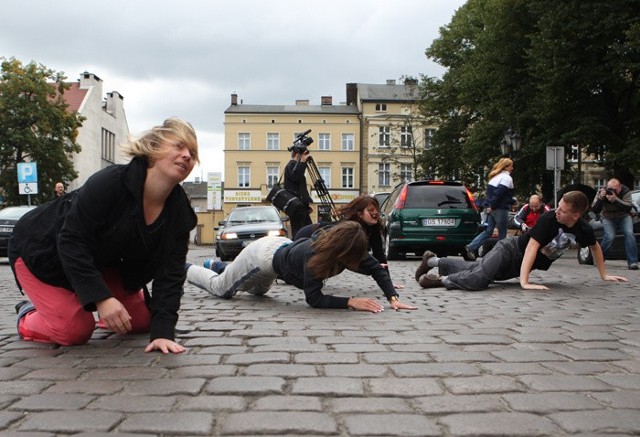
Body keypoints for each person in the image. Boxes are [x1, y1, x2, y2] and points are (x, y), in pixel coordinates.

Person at [9, 117, 199, 354]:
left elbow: (170, 276)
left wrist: (162, 334)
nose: (187, 155)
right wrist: (101, 299)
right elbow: (70, 240)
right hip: (42, 251)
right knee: (74, 331)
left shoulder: (180, 215)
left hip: (101, 262)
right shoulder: (111, 182)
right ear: (153, 148)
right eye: (179, 146)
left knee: (140, 321)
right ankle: (28, 314)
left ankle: (97, 308)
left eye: (192, 152)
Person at [415, 191, 627, 291]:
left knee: (477, 267)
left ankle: (433, 261)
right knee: (480, 279)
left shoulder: (583, 229)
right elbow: (532, 247)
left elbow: (595, 247)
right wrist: (525, 283)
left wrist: (604, 274)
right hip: (510, 250)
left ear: (576, 216)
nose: (557, 211)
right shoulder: (549, 219)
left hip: (516, 266)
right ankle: (439, 280)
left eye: (563, 210)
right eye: (558, 206)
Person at [186, 221, 417, 312]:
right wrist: (350, 302)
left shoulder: (347, 249)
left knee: (257, 292)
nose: (357, 263)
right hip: (259, 258)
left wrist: (393, 298)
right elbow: (313, 299)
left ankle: (218, 265)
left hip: (278, 253)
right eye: (353, 258)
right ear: (342, 252)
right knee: (223, 289)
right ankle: (184, 267)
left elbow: (376, 268)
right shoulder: (314, 255)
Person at [294, 195, 403, 289]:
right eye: (371, 210)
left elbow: (379, 254)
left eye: (376, 210)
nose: (375, 213)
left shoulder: (373, 227)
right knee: (302, 268)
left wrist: (388, 282)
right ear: (360, 214)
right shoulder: (349, 227)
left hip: (315, 238)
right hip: (306, 235)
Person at [465, 158, 516, 260]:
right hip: (499, 209)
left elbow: (492, 195)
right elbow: (499, 194)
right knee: (502, 233)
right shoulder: (507, 178)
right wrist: (493, 206)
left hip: (491, 208)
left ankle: (471, 246)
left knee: (488, 231)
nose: (512, 168)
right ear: (506, 167)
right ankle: (500, 255)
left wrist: (489, 206)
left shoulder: (494, 177)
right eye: (511, 166)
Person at [591, 178, 638, 270]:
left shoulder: (625, 191)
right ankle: (599, 259)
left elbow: (628, 207)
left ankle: (633, 262)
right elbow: (595, 210)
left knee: (629, 234)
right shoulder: (602, 191)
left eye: (614, 189)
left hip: (623, 216)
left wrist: (615, 200)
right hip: (608, 216)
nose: (611, 191)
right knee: (609, 236)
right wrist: (600, 199)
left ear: (620, 188)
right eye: (610, 188)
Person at [284, 147, 314, 237]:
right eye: (304, 155)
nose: (306, 157)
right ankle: (298, 248)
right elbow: (296, 177)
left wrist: (306, 205)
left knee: (308, 230)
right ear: (298, 155)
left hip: (300, 205)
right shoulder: (291, 165)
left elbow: (299, 187)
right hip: (297, 206)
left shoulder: (294, 166)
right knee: (300, 232)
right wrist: (302, 162)